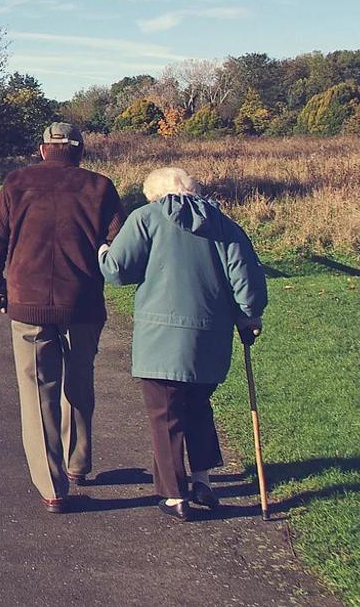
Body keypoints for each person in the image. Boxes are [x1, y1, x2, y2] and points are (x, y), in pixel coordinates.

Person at [98, 167, 267, 521]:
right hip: (211, 337)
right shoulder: (225, 225)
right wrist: (250, 316)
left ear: (154, 195)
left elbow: (117, 271)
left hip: (160, 338)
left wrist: (102, 251)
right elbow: (247, 283)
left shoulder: (146, 218)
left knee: (165, 414)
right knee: (198, 406)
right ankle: (202, 480)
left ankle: (175, 495)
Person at [0, 122, 124, 513]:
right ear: (79, 151)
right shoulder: (100, 187)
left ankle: (52, 486)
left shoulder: (16, 183)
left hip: (28, 303)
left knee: (37, 392)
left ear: (43, 149)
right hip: (83, 303)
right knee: (80, 382)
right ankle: (78, 463)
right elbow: (117, 245)